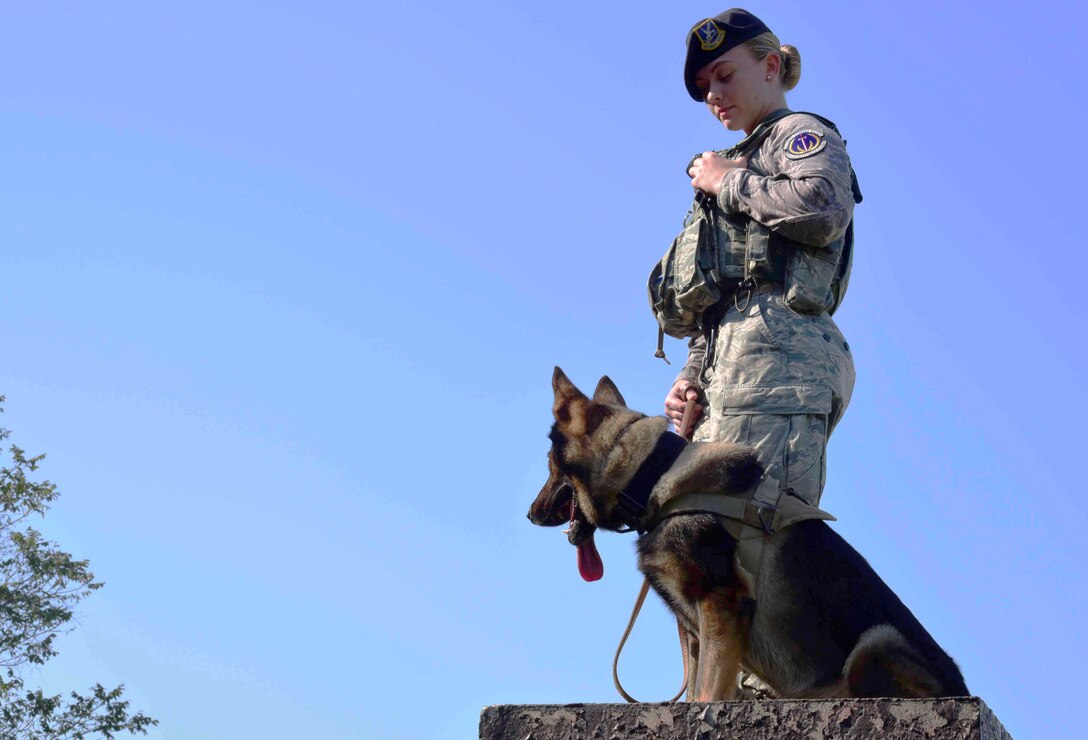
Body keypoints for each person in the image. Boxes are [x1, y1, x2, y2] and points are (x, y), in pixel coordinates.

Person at [662, 8, 859, 511]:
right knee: (701, 539)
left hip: (782, 362)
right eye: (705, 86)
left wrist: (727, 182)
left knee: (753, 535)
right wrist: (691, 377)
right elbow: (723, 293)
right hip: (730, 364)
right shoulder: (739, 156)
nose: (713, 94)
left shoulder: (798, 134)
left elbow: (825, 207)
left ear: (770, 66)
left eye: (724, 75)